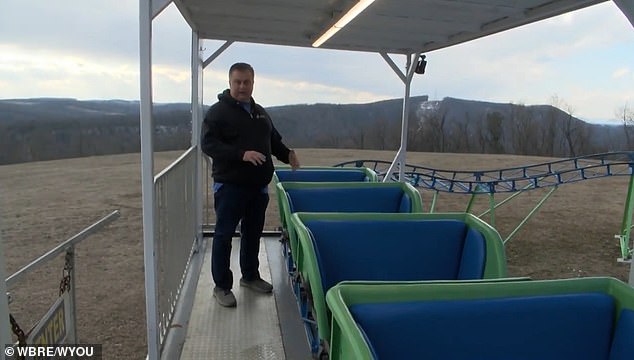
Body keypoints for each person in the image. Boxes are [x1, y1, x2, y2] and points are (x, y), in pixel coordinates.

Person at [201, 62, 300, 307]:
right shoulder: (218, 113)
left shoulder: (260, 113)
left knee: (252, 233)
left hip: (257, 188)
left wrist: (288, 154)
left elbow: (273, 141)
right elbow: (208, 145)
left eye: (246, 82)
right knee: (224, 236)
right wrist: (240, 154)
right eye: (237, 82)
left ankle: (250, 276)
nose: (242, 86)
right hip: (230, 186)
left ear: (253, 83)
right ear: (229, 83)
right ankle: (222, 286)